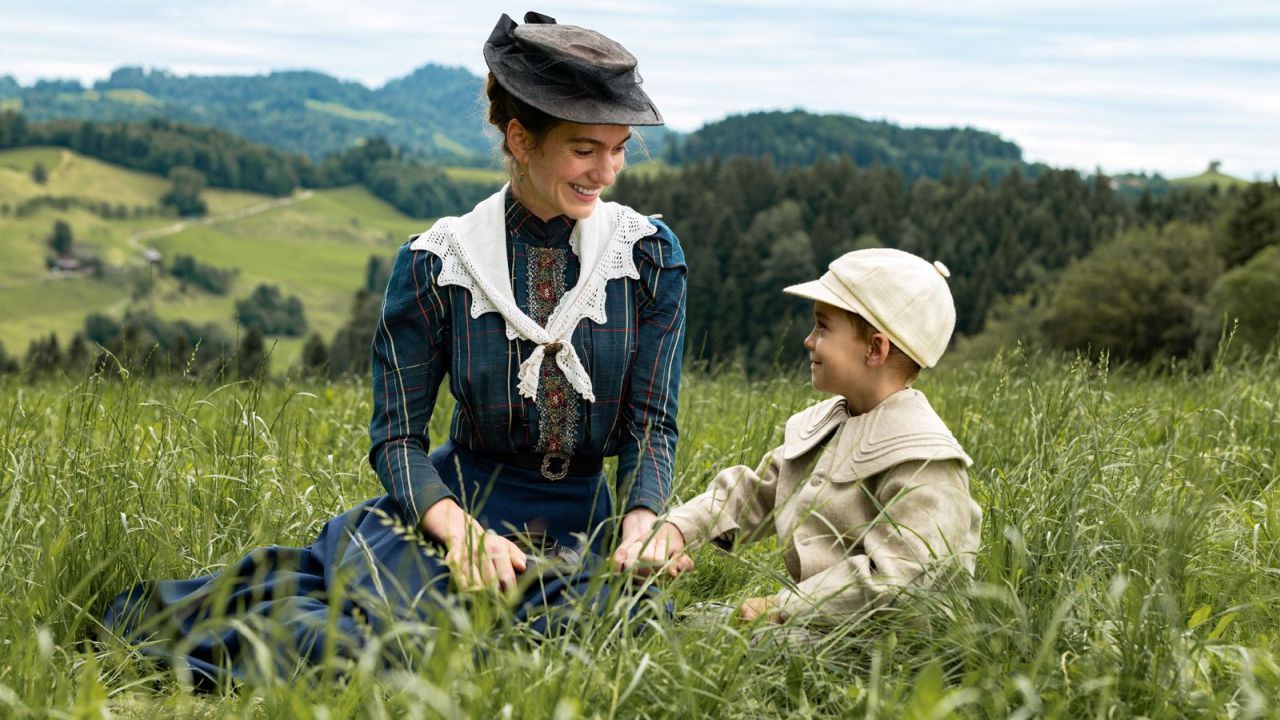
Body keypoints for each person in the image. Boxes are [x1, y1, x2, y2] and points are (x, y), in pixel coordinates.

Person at [105, 11, 685, 686]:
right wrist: (460, 532)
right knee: (389, 653)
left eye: (618, 148)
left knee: (604, 650)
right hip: (459, 512)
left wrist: (640, 525)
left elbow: (651, 424)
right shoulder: (436, 264)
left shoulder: (646, 257)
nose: (608, 171)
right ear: (521, 139)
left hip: (586, 524)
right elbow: (397, 439)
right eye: (587, 149)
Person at [615, 248, 981, 625]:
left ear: (875, 348)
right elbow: (753, 492)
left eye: (823, 327)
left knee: (726, 645)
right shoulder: (828, 423)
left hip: (876, 645)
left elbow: (905, 582)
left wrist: (783, 607)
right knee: (680, 625)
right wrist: (677, 529)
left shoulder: (924, 460)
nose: (809, 340)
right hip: (812, 624)